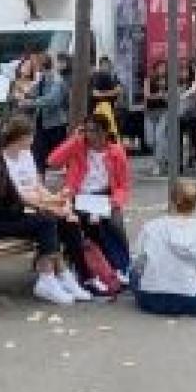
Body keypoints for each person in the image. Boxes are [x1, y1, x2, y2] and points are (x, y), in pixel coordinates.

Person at [0, 125, 84, 306]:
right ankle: (49, 279)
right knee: (46, 223)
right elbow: (12, 198)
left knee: (48, 222)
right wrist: (50, 207)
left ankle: (60, 276)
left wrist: (48, 206)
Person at [0, 116, 99, 300]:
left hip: (38, 204)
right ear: (19, 137)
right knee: (56, 220)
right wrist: (51, 205)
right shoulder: (3, 160)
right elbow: (18, 197)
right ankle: (58, 277)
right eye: (30, 136)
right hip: (22, 209)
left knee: (70, 219)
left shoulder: (26, 155)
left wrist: (56, 199)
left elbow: (37, 186)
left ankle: (73, 276)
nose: (33, 140)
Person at [131, 179, 196, 317]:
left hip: (150, 298)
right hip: (191, 299)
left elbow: (138, 263)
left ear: (172, 201)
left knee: (132, 274)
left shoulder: (152, 226)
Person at [48, 113, 133, 278]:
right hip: (78, 195)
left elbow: (123, 185)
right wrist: (74, 139)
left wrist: (115, 201)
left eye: (93, 131)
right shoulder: (78, 146)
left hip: (104, 196)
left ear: (104, 133)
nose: (88, 135)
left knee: (114, 223)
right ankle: (81, 265)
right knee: (73, 222)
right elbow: (52, 161)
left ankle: (122, 264)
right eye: (86, 130)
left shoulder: (116, 152)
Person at [32, 53, 69, 173]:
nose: (33, 65)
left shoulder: (56, 79)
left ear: (42, 64)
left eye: (35, 63)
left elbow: (53, 100)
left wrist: (29, 102)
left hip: (55, 124)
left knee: (59, 157)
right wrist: (24, 93)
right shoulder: (42, 77)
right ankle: (40, 180)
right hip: (42, 122)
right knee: (39, 155)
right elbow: (35, 91)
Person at [143, 59, 171, 176]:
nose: (162, 70)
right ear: (155, 68)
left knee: (159, 137)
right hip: (150, 112)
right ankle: (164, 158)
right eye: (160, 67)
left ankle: (158, 163)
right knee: (150, 140)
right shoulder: (149, 80)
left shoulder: (169, 81)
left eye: (164, 68)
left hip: (164, 111)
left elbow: (171, 95)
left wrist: (165, 96)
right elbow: (147, 95)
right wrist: (158, 95)